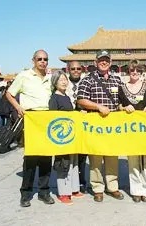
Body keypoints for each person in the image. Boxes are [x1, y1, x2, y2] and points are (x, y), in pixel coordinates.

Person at [6, 49, 55, 207]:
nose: (43, 61)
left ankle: (44, 192)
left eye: (45, 59)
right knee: (31, 159)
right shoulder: (24, 75)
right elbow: (9, 94)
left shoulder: (50, 78)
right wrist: (18, 108)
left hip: (47, 119)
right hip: (31, 119)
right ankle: (26, 194)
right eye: (39, 59)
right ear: (33, 60)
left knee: (46, 159)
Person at [76, 50, 124, 202]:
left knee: (112, 157)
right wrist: (98, 107)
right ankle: (97, 188)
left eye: (107, 60)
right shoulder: (88, 80)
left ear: (110, 62)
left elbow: (124, 99)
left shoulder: (117, 80)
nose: (104, 62)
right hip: (95, 126)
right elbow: (81, 100)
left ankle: (112, 186)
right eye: (101, 60)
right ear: (95, 62)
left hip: (112, 127)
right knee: (95, 159)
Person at [118, 60, 146, 202]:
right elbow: (118, 105)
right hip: (130, 130)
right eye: (132, 70)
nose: (135, 73)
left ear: (141, 72)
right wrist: (123, 108)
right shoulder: (122, 87)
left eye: (138, 71)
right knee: (133, 161)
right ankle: (136, 190)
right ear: (128, 71)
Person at [49, 70, 84, 205]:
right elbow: (53, 119)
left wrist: (78, 112)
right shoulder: (54, 98)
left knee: (73, 162)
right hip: (62, 137)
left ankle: (74, 189)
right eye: (60, 80)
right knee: (63, 163)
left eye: (65, 79)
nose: (64, 82)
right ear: (55, 83)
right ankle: (63, 192)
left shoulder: (67, 97)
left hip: (72, 135)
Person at [66, 60, 88, 193]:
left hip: (82, 123)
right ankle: (68, 182)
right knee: (68, 156)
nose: (75, 71)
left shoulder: (86, 82)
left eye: (78, 69)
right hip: (68, 123)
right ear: (68, 69)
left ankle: (81, 181)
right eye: (73, 68)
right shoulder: (62, 82)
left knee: (82, 155)